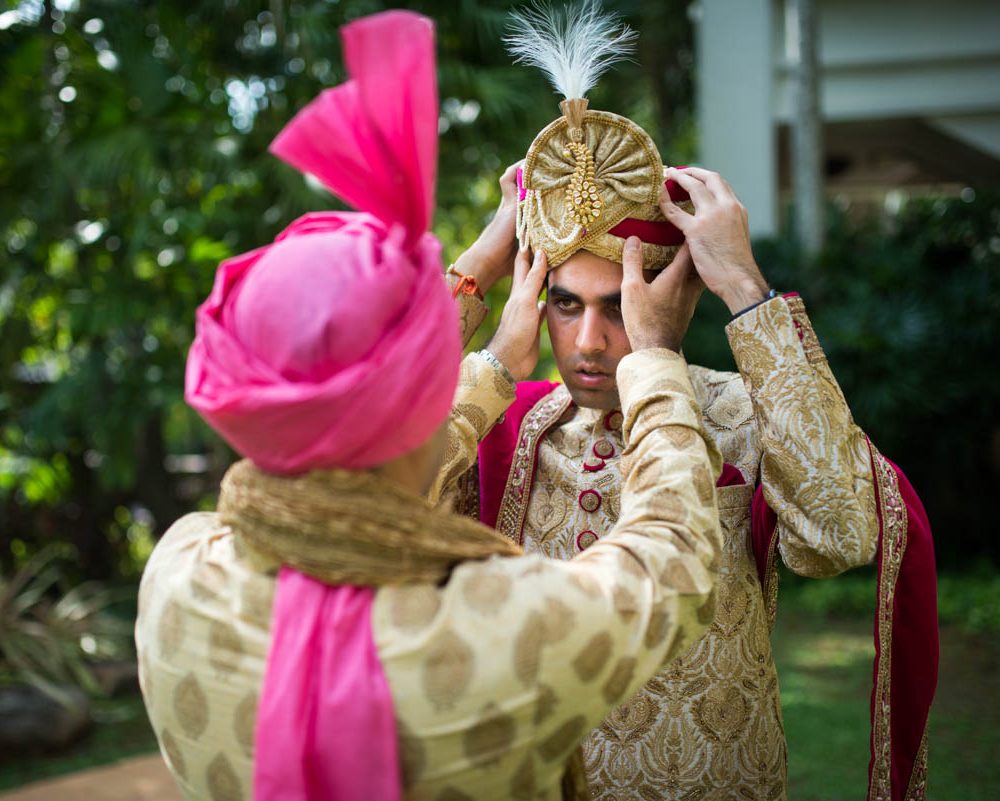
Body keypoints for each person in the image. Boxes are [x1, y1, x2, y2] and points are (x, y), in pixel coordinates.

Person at [134, 10, 726, 801]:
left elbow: (352, 462)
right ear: (419, 403)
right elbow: (675, 558)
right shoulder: (504, 627)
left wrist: (478, 309)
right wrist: (653, 354)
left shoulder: (177, 575)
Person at [432, 4, 939, 800]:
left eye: (620, 307)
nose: (593, 341)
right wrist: (480, 265)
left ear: (680, 291)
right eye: (567, 304)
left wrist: (743, 285)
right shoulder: (504, 427)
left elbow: (837, 536)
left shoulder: (744, 408)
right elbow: (365, 458)